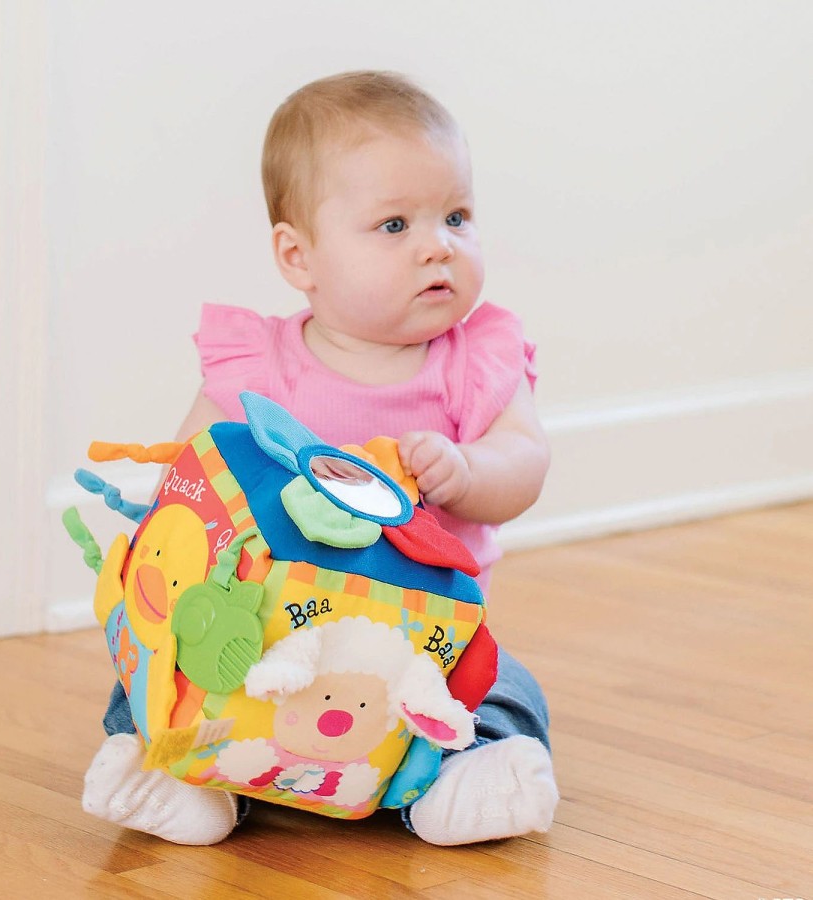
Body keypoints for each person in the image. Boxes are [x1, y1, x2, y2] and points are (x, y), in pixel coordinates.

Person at [82, 70, 559, 847]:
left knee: (503, 689)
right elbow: (193, 475)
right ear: (299, 256)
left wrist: (469, 472)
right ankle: (178, 774)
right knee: (154, 670)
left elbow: (525, 461)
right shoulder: (258, 369)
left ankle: (452, 785)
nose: (439, 245)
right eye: (396, 225)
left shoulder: (474, 361)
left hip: (424, 653)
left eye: (457, 216)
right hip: (265, 640)